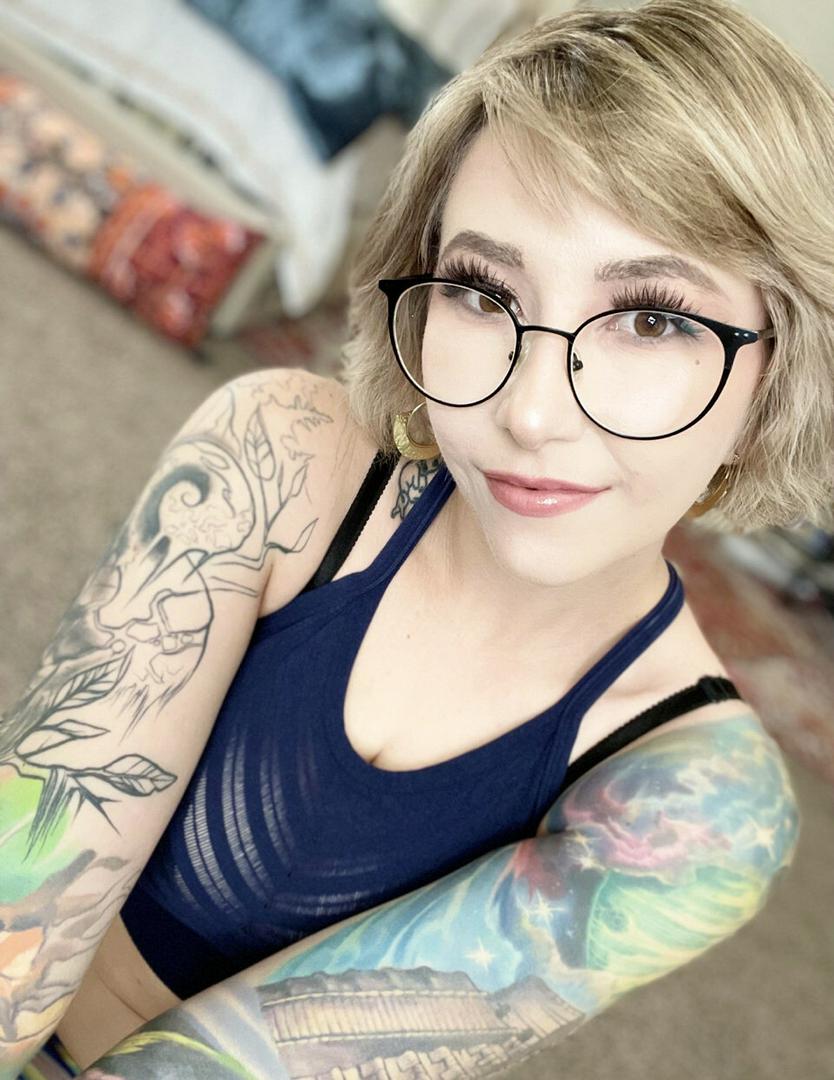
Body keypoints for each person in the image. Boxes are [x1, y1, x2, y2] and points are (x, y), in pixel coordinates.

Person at [7, 0, 834, 1075]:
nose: (531, 412)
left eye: (652, 318)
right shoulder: (281, 456)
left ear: (782, 365)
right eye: (484, 292)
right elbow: (20, 914)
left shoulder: (700, 808)